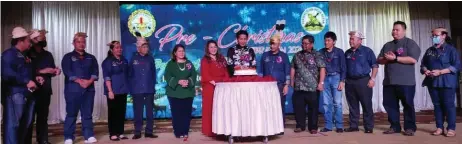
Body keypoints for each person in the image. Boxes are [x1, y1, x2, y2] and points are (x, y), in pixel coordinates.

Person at [377, 21, 421, 136]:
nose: (394, 31)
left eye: (397, 30)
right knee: (390, 105)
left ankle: (410, 128)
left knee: (407, 104)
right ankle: (394, 126)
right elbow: (379, 60)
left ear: (404, 31)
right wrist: (387, 59)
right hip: (389, 82)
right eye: (393, 29)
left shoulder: (410, 43)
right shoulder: (387, 45)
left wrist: (395, 58)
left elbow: (413, 59)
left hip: (406, 82)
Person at [421, 27, 460, 137]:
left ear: (444, 36)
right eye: (432, 36)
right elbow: (423, 64)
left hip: (447, 82)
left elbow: (456, 66)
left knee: (449, 106)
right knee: (437, 106)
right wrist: (426, 70)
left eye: (436, 35)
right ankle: (439, 127)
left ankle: (451, 128)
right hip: (432, 82)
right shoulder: (429, 50)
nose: (434, 38)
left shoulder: (451, 50)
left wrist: (441, 72)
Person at [61, 32, 99, 144]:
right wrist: (79, 81)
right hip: (72, 90)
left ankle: (88, 136)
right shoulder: (68, 57)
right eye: (79, 42)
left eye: (83, 42)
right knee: (71, 114)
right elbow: (67, 71)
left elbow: (95, 72)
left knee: (87, 114)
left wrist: (89, 81)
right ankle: (68, 137)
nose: (81, 44)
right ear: (74, 43)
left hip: (89, 90)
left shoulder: (91, 58)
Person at [1, 27, 37, 144]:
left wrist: (35, 78)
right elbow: (6, 74)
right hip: (15, 94)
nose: (30, 43)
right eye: (28, 40)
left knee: (25, 124)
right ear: (20, 40)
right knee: (13, 125)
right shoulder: (8, 54)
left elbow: (24, 72)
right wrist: (26, 81)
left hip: (27, 94)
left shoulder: (24, 55)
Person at [25, 29, 61, 144]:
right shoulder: (27, 54)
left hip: (45, 90)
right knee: (29, 118)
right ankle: (27, 141)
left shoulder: (48, 54)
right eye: (42, 38)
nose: (44, 40)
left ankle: (43, 140)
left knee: (43, 117)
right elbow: (25, 71)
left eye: (45, 39)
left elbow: (51, 71)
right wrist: (42, 71)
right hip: (31, 91)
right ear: (34, 40)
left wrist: (55, 71)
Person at [343, 31, 378, 134]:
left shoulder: (367, 51)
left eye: (352, 39)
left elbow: (375, 66)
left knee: (366, 104)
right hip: (350, 82)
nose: (350, 41)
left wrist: (372, 79)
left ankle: (368, 127)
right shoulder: (347, 52)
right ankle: (353, 126)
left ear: (360, 40)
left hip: (363, 81)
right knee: (352, 105)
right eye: (350, 39)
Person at [290, 34, 325, 134]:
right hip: (299, 87)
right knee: (298, 108)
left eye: (306, 43)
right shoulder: (297, 55)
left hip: (313, 87)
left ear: (312, 44)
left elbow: (322, 68)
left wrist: (321, 83)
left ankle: (313, 127)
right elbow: (293, 68)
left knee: (313, 109)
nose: (304, 45)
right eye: (303, 43)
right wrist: (292, 80)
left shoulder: (317, 55)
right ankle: (300, 126)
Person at [128, 33, 158, 139]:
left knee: (150, 112)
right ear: (139, 48)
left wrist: (153, 86)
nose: (146, 49)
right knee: (138, 112)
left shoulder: (150, 58)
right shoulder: (133, 58)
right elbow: (129, 74)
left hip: (149, 89)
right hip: (137, 90)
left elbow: (154, 73)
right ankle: (137, 132)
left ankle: (149, 132)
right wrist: (131, 89)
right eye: (144, 47)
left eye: (147, 47)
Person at [164, 44, 197, 139]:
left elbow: (193, 75)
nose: (181, 53)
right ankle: (178, 132)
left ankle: (185, 131)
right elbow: (167, 76)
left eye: (183, 51)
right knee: (176, 114)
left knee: (186, 113)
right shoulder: (171, 64)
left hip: (187, 92)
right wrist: (178, 81)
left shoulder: (189, 63)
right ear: (175, 53)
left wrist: (187, 81)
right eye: (179, 51)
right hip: (174, 93)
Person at [259, 34, 290, 126]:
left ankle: (280, 125)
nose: (272, 46)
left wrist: (286, 85)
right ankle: (268, 125)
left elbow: (287, 71)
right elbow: (261, 70)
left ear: (279, 44)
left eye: (274, 44)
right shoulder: (265, 55)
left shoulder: (284, 56)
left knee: (280, 105)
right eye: (271, 44)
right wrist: (260, 84)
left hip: (280, 85)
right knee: (267, 105)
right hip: (266, 85)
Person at [200, 40, 229, 137]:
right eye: (211, 47)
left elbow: (226, 71)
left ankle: (221, 130)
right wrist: (214, 83)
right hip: (210, 86)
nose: (213, 49)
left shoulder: (221, 58)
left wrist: (225, 81)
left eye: (215, 47)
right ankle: (209, 131)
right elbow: (205, 74)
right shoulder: (205, 60)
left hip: (222, 85)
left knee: (221, 108)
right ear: (207, 49)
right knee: (210, 108)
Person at [102, 41, 130, 141]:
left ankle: (120, 132)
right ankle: (113, 133)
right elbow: (107, 77)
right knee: (113, 112)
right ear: (112, 49)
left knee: (121, 112)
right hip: (113, 91)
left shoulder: (124, 60)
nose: (119, 49)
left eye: (120, 47)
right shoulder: (107, 61)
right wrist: (110, 90)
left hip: (123, 90)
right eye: (117, 47)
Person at [319, 31, 346, 133]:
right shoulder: (321, 52)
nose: (326, 42)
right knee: (326, 103)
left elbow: (344, 67)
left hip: (336, 77)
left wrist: (342, 81)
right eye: (325, 40)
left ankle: (339, 126)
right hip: (325, 79)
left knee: (337, 103)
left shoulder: (339, 52)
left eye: (328, 40)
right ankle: (328, 126)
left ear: (334, 41)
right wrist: (320, 81)